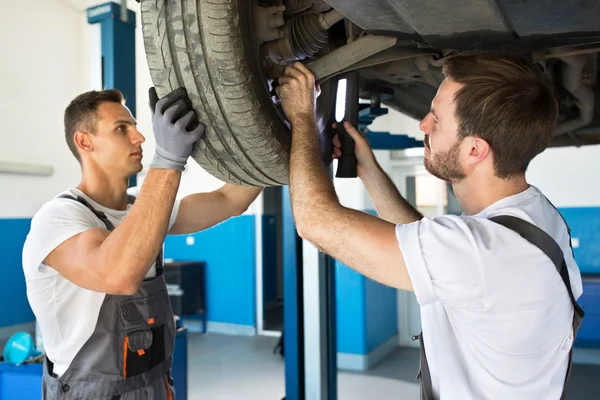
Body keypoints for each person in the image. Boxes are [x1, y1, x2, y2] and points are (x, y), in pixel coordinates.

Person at [276, 54, 583, 399]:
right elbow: (431, 250)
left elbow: (315, 222)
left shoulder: (480, 253)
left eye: (436, 120)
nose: (423, 125)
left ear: (475, 151)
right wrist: (370, 172)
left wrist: (302, 117)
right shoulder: (535, 215)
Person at [22, 87, 262, 398]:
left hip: (155, 387)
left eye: (135, 126)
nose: (140, 138)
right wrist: (169, 159)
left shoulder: (141, 206)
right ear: (85, 141)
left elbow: (230, 200)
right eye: (122, 129)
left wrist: (279, 143)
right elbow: (119, 275)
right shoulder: (58, 218)